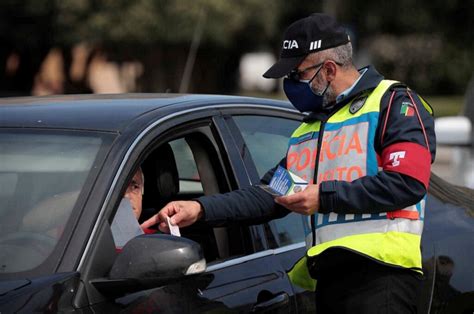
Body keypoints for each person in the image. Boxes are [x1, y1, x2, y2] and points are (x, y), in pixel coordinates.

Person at [142, 13, 436, 313]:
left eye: (297, 74)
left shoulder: (394, 103)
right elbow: (270, 195)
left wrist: (322, 197)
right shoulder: (310, 130)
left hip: (382, 279)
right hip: (330, 282)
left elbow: (407, 182)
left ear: (330, 69)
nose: (291, 84)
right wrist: (200, 209)